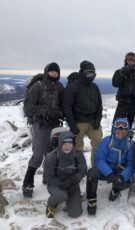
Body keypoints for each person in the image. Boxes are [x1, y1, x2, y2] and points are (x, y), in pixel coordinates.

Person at [22, 62, 64, 197]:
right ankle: (28, 183)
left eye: (56, 72)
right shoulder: (38, 86)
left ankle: (48, 177)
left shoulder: (59, 87)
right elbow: (28, 107)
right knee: (38, 154)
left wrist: (60, 113)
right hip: (41, 124)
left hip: (55, 124)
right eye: (52, 71)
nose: (54, 74)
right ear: (47, 72)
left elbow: (64, 104)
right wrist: (46, 112)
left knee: (52, 153)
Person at [86, 118, 134, 215]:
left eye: (124, 129)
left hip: (120, 169)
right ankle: (92, 200)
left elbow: (131, 164)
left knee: (125, 180)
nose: (121, 132)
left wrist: (123, 176)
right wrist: (108, 173)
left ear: (127, 130)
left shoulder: (131, 144)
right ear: (114, 129)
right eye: (118, 129)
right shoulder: (106, 141)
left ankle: (115, 189)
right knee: (92, 174)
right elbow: (99, 159)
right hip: (107, 169)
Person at [63, 61, 103, 166]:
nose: (91, 75)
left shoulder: (94, 87)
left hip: (93, 121)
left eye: (93, 73)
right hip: (78, 121)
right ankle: (79, 167)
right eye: (88, 73)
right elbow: (66, 106)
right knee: (77, 147)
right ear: (82, 72)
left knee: (98, 145)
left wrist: (98, 120)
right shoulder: (73, 87)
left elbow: (99, 106)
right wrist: (72, 125)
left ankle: (96, 166)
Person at [43, 131, 87, 218]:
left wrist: (72, 180)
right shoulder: (52, 157)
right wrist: (60, 183)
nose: (68, 146)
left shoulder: (78, 154)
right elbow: (47, 177)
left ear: (73, 144)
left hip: (72, 184)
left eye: (70, 143)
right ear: (60, 143)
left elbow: (83, 170)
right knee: (61, 196)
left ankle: (70, 202)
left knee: (75, 214)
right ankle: (51, 204)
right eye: (65, 143)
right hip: (56, 185)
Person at [112, 52, 135, 126]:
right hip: (122, 103)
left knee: (133, 126)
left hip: (134, 104)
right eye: (128, 59)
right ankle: (114, 137)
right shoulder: (119, 71)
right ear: (125, 60)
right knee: (117, 124)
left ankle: (131, 138)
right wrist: (123, 72)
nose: (130, 61)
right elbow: (115, 84)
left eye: (132, 59)